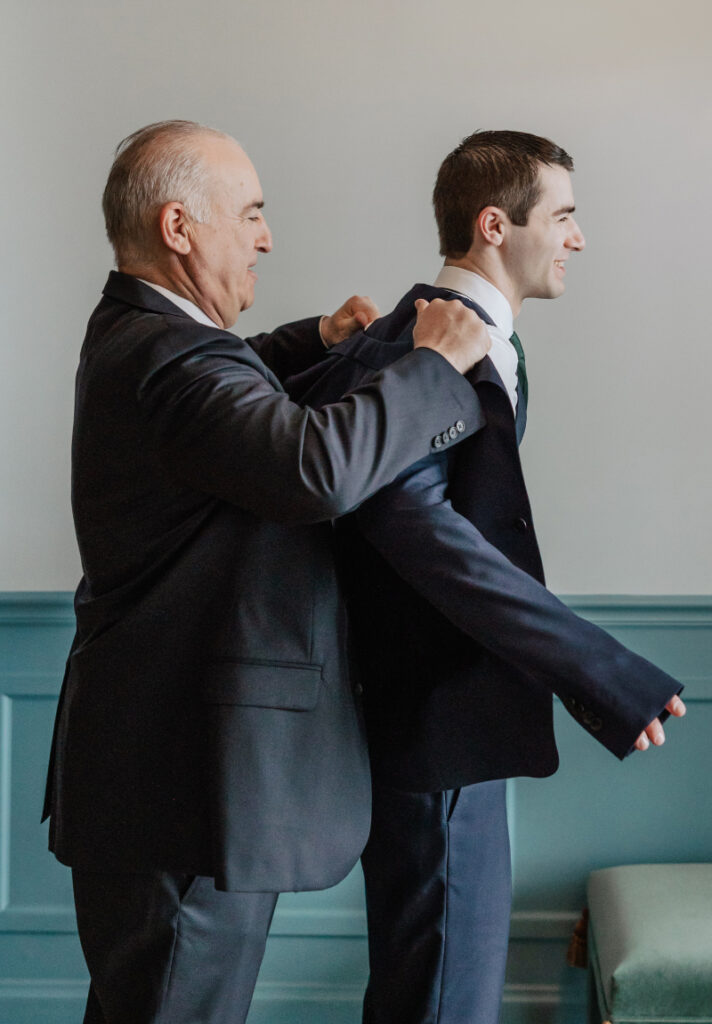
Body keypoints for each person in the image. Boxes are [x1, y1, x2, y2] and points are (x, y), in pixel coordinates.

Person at [41, 119, 493, 1024]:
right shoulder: (170, 358)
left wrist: (312, 339)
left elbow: (229, 390)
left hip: (158, 778)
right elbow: (309, 470)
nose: (266, 236)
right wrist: (436, 365)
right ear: (179, 228)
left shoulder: (139, 330)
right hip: (185, 789)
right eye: (249, 213)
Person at [286, 130, 686, 1024]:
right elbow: (427, 541)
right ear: (495, 223)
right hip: (435, 725)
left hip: (457, 720)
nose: (580, 238)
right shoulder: (416, 353)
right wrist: (598, 668)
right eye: (567, 216)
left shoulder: (470, 342)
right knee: (441, 1001)